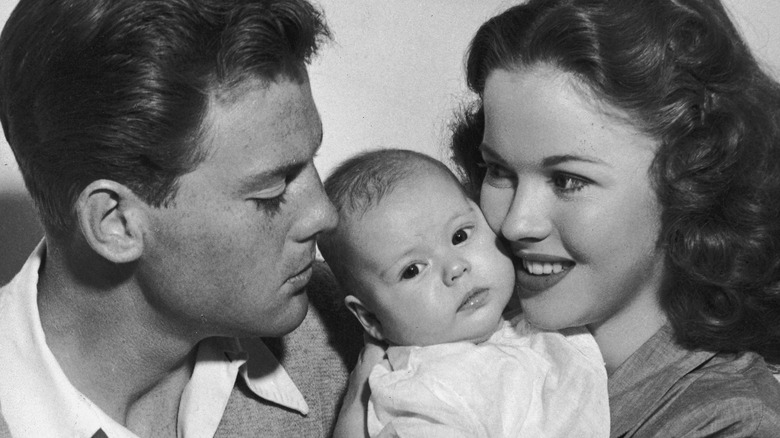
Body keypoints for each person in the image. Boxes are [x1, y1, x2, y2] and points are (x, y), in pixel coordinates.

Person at [0, 0, 363, 436]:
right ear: (116, 224)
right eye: (273, 188)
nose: (324, 213)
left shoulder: (366, 316)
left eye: (312, 160)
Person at [443, 0, 780, 436]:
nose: (516, 224)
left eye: (567, 180)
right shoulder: (476, 348)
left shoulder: (728, 422)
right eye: (499, 172)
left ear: (689, 180)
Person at [319, 148, 609, 437]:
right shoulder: (424, 391)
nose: (455, 268)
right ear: (370, 318)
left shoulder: (536, 309)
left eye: (460, 236)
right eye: (413, 270)